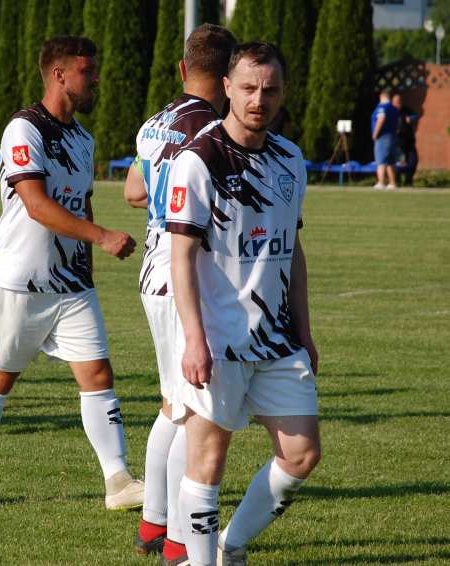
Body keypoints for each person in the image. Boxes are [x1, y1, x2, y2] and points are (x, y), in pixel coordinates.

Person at [0, 36, 144, 510]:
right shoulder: (24, 129)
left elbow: (76, 204)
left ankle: (119, 481)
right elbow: (38, 206)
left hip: (72, 283)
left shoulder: (83, 139)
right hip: (21, 278)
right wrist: (102, 237)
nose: (96, 78)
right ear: (60, 75)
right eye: (88, 70)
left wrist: (86, 260)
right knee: (0, 378)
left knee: (98, 373)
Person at [164, 42, 320, 566]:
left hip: (277, 338)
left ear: (282, 93)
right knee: (207, 461)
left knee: (301, 455)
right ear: (227, 87)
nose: (259, 99)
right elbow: (179, 256)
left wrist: (305, 329)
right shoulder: (198, 160)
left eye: (270, 90)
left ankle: (231, 547)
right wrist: (193, 339)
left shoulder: (289, 159)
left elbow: (290, 249)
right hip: (219, 337)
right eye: (249, 88)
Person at [123, 24, 237, 564]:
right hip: (187, 275)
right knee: (190, 412)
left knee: (173, 404)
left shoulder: (154, 123)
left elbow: (133, 190)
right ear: (231, 72)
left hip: (153, 270)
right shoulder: (217, 128)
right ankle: (175, 543)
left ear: (181, 67)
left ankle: (153, 525)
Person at [371, 90, 399, 190]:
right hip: (392, 136)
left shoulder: (382, 107)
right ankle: (392, 183)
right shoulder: (394, 108)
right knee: (390, 161)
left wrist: (375, 134)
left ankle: (381, 182)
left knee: (381, 159)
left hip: (383, 136)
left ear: (381, 96)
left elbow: (381, 119)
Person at [392, 93, 418, 187]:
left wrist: (411, 118)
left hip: (409, 142)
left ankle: (408, 180)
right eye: (396, 102)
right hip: (398, 144)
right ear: (392, 102)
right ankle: (397, 180)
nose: (398, 104)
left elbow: (415, 116)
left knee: (413, 161)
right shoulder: (391, 111)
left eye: (399, 102)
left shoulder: (406, 110)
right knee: (400, 164)